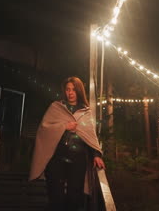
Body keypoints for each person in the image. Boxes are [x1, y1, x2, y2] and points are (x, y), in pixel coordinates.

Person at [29, 76, 105, 211]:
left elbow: (90, 137)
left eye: (74, 90)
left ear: (79, 91)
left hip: (77, 159)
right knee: (55, 195)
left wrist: (97, 155)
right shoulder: (56, 107)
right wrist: (64, 126)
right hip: (56, 156)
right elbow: (44, 128)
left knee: (74, 197)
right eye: (68, 89)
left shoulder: (85, 112)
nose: (70, 93)